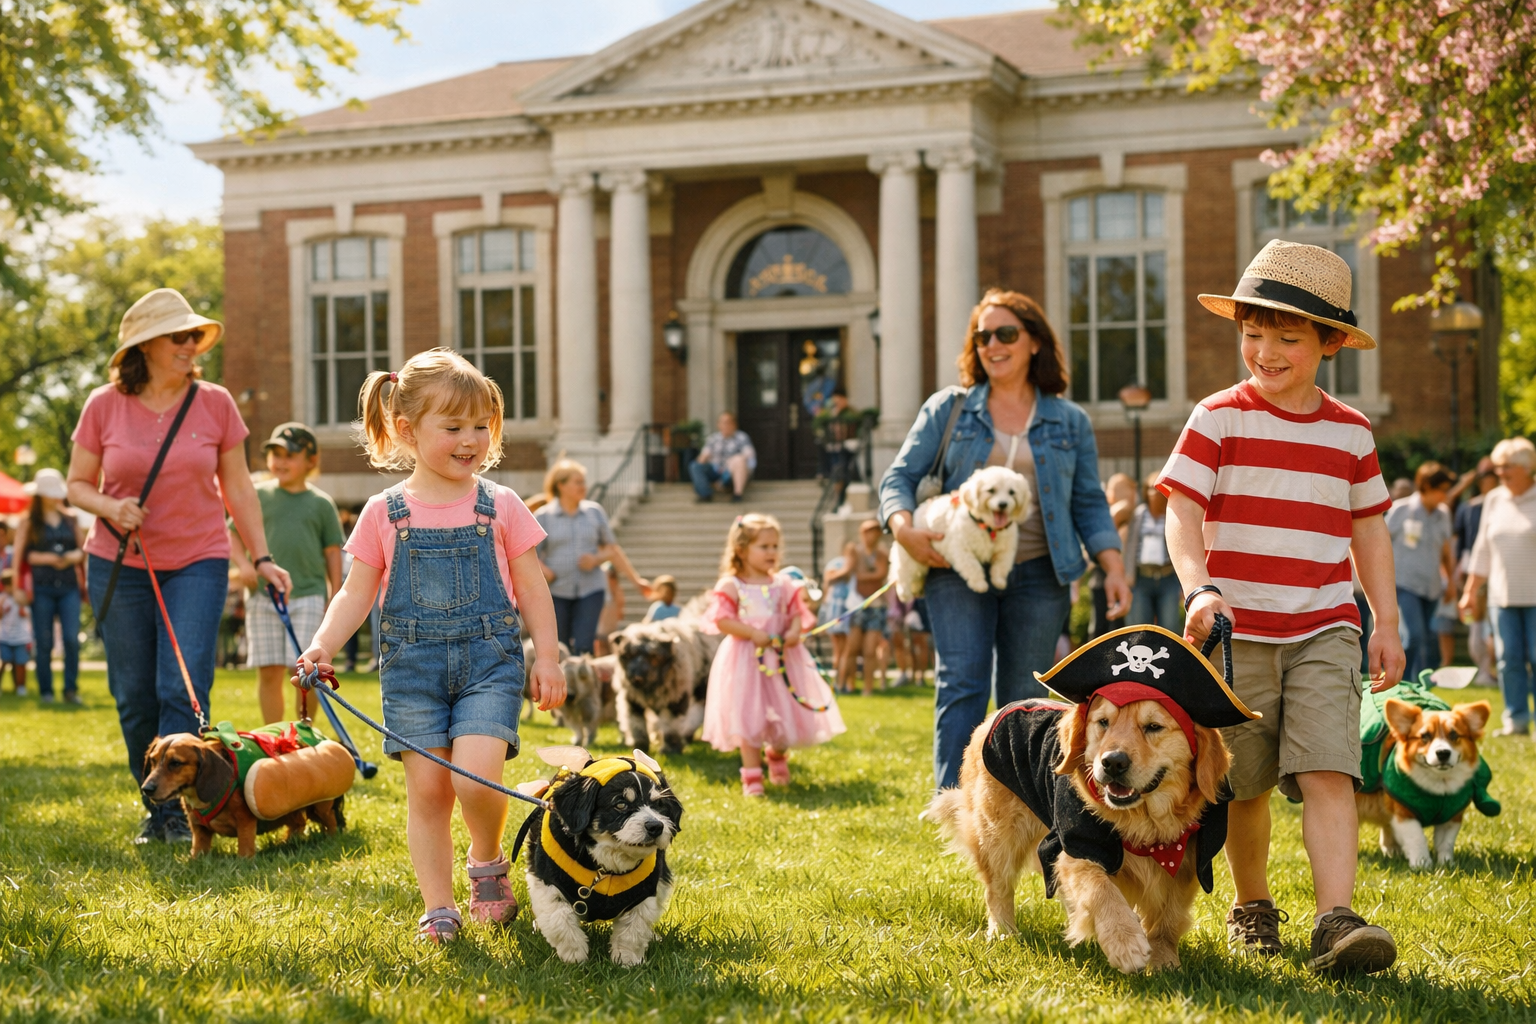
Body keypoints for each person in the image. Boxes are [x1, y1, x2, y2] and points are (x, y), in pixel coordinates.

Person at [1161, 240, 1404, 974]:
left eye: (1287, 337)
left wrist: (1385, 621)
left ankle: (1336, 921)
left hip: (1326, 625)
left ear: (1330, 342)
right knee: (1245, 782)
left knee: (1331, 767)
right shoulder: (1216, 418)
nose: (1263, 351)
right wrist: (1198, 585)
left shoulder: (1350, 432)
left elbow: (1368, 531)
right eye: (1252, 333)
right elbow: (1181, 512)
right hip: (1238, 629)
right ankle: (1253, 906)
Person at [296, 348, 566, 944]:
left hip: (488, 665)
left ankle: (487, 858)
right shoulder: (382, 512)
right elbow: (353, 594)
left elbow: (532, 587)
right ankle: (439, 906)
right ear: (406, 429)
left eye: (480, 426)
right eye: (453, 427)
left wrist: (546, 655)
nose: (470, 440)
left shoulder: (501, 505)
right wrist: (322, 645)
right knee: (428, 790)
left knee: (474, 780)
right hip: (411, 671)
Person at [879, 288, 1130, 791]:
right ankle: (953, 804)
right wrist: (903, 529)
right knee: (962, 683)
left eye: (1006, 334)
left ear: (1034, 341)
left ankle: (1022, 804)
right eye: (982, 336)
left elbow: (1087, 502)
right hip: (955, 566)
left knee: (1025, 697)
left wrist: (1114, 567)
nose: (992, 344)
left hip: (1041, 572)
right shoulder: (948, 408)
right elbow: (898, 478)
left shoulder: (1069, 420)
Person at [66, 288, 292, 846]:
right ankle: (157, 804)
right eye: (180, 336)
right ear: (145, 346)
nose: (193, 345)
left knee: (180, 684)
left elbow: (236, 484)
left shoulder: (214, 402)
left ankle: (188, 812)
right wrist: (109, 506)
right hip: (119, 563)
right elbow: (76, 485)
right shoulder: (103, 405)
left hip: (198, 560)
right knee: (133, 692)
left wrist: (260, 555)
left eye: (196, 336)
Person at [700, 513, 845, 796]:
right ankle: (752, 778)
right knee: (747, 716)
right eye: (764, 547)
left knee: (784, 712)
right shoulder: (732, 585)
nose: (772, 552)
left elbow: (795, 615)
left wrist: (793, 631)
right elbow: (722, 621)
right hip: (745, 661)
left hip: (782, 661)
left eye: (775, 546)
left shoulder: (783, 585)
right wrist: (752, 633)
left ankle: (777, 754)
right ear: (741, 550)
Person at [230, 423, 344, 724]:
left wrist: (333, 598)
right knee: (268, 671)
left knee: (305, 671)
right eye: (275, 454)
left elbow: (333, 553)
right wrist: (244, 565)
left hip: (308, 596)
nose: (280, 462)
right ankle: (275, 735)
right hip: (262, 597)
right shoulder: (257, 495)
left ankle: (304, 733)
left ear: (311, 461)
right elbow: (232, 534)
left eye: (289, 455)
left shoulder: (321, 504)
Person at [1460, 437, 1536, 735]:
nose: (1500, 473)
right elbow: (1482, 549)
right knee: (1508, 660)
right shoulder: (1494, 500)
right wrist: (1469, 591)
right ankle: (1516, 720)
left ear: (1527, 467)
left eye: (1507, 467)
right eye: (1498, 467)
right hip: (1501, 597)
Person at [534, 460, 649, 656]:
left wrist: (598, 560)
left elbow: (612, 549)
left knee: (584, 645)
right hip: (556, 591)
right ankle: (564, 687)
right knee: (559, 647)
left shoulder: (594, 512)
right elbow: (528, 555)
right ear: (561, 485)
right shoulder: (543, 516)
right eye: (577, 482)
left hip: (591, 589)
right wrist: (544, 571)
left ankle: (582, 686)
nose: (583, 487)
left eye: (584, 482)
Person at [1386, 461, 1455, 683]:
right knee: (1414, 636)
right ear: (1425, 486)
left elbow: (1446, 551)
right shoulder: (1401, 509)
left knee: (1425, 638)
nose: (1444, 495)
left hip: (1431, 586)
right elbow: (1380, 543)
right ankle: (1401, 683)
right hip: (1405, 584)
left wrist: (1451, 582)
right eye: (1441, 490)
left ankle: (1418, 684)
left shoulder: (1443, 514)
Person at [20, 468, 85, 704]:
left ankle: (70, 689)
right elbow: (22, 555)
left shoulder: (71, 518)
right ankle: (46, 690)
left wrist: (69, 558)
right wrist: (47, 559)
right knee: (44, 641)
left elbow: (83, 550)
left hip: (69, 587)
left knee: (70, 638)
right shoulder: (30, 522)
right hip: (42, 588)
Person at [1454, 460, 1500, 682]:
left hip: (1501, 571)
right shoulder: (1469, 507)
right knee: (1475, 622)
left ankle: (1492, 670)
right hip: (1475, 570)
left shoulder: (1506, 504)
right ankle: (1484, 670)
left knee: (1493, 624)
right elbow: (1461, 541)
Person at [1125, 470, 1182, 629]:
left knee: (1169, 627)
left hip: (1167, 578)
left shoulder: (1172, 514)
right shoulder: (1139, 514)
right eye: (1151, 488)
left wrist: (1182, 585)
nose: (1155, 492)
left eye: (1158, 488)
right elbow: (1130, 545)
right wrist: (1128, 574)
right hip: (1142, 578)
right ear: (1145, 491)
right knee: (1139, 626)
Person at [840, 518, 889, 696]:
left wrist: (865, 574)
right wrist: (871, 574)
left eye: (876, 530)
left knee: (870, 650)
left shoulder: (882, 553)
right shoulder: (855, 550)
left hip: (876, 606)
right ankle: (846, 684)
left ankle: (868, 688)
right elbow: (856, 573)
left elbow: (881, 573)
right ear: (862, 532)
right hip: (857, 605)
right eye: (869, 530)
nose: (872, 534)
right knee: (852, 648)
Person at [691, 412, 756, 503]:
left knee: (739, 459)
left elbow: (750, 457)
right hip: (716, 471)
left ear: (734, 424)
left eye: (728, 422)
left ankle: (737, 494)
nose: (726, 425)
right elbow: (704, 455)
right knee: (695, 465)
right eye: (723, 422)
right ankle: (705, 494)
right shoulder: (713, 439)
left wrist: (732, 462)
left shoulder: (742, 437)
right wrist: (699, 466)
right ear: (718, 424)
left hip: (732, 472)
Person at [818, 553, 852, 684]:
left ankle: (840, 681)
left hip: (836, 611)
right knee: (842, 650)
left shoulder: (834, 569)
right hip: (840, 611)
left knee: (840, 650)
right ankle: (841, 682)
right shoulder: (845, 568)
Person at [0, 570, 32, 696]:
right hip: (5, 637)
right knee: (5, 661)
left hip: (21, 637)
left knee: (21, 663)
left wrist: (24, 612)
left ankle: (21, 687)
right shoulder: (2, 598)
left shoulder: (21, 597)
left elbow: (29, 612)